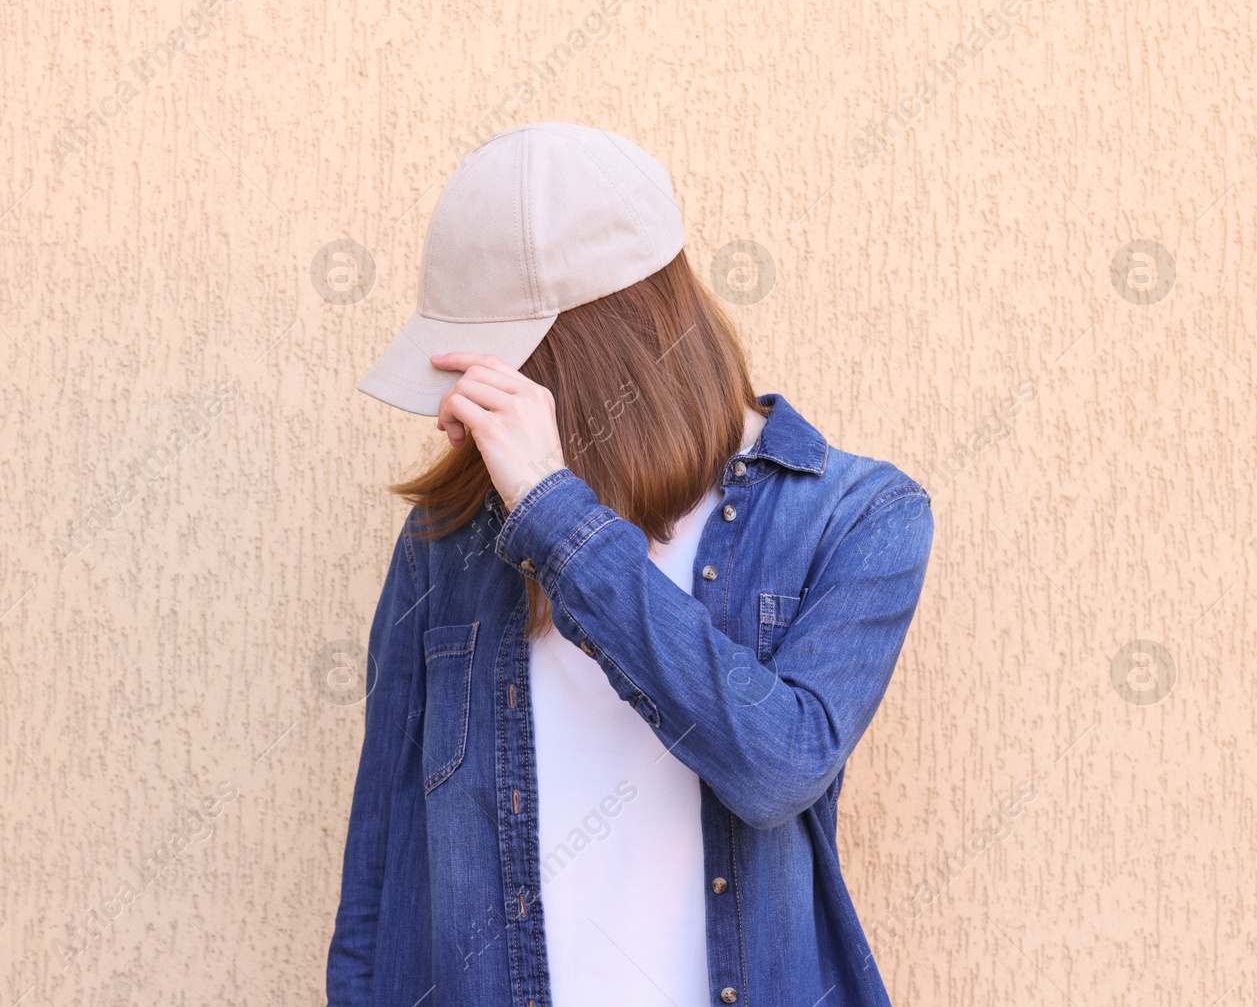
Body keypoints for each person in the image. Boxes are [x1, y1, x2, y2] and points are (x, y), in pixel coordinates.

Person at [328, 121, 934, 1007]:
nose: (464, 410)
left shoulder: (859, 516)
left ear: (591, 354)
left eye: (503, 371)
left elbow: (777, 769)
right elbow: (379, 863)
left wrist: (557, 518)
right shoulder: (448, 535)